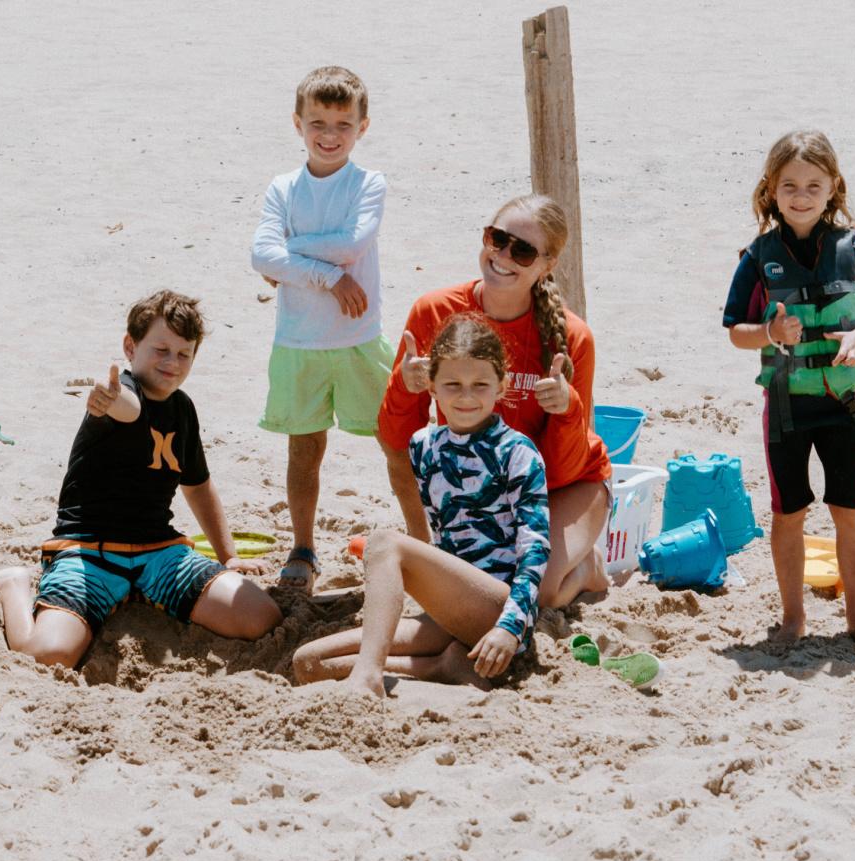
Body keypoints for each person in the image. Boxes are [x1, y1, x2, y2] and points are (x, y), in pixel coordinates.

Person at [0, 290, 282, 669]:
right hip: (89, 552)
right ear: (130, 347)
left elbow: (198, 485)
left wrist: (229, 557)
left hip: (159, 552)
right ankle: (13, 584)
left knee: (260, 617)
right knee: (49, 655)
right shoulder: (123, 392)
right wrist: (109, 397)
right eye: (161, 350)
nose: (172, 362)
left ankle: (146, 594)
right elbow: (130, 408)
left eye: (184, 354)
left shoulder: (183, 409)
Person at [293, 317, 549, 695]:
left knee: (384, 542)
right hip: (451, 613)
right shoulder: (424, 446)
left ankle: (368, 677)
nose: (466, 397)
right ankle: (443, 666)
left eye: (480, 385)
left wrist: (510, 627)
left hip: (500, 611)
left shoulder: (517, 452)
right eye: (453, 384)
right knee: (310, 662)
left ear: (502, 385)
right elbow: (444, 540)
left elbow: (535, 550)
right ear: (431, 386)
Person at [378, 193, 610, 609]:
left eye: (522, 251)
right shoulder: (434, 311)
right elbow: (397, 443)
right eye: (497, 239)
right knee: (469, 591)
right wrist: (404, 384)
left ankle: (587, 567)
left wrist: (567, 408)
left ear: (547, 265)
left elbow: (565, 468)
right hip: (475, 485)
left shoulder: (573, 337)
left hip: (563, 487)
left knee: (538, 594)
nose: (502, 256)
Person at [723, 129, 855, 644]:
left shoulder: (852, 250)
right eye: (790, 186)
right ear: (771, 190)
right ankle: (794, 617)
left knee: (849, 510)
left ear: (833, 187)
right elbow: (736, 331)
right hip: (786, 411)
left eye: (813, 186)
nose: (801, 196)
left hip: (842, 405)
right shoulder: (758, 257)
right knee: (788, 513)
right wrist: (770, 333)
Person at [250, 65, 395, 594]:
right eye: (318, 123)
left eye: (342, 124)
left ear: (362, 127)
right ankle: (303, 546)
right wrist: (328, 276)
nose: (329, 135)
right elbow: (259, 256)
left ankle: (426, 541)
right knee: (304, 449)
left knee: (396, 442)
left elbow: (352, 243)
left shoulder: (368, 183)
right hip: (299, 342)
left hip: (359, 338)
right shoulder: (283, 188)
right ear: (298, 123)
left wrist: (289, 254)